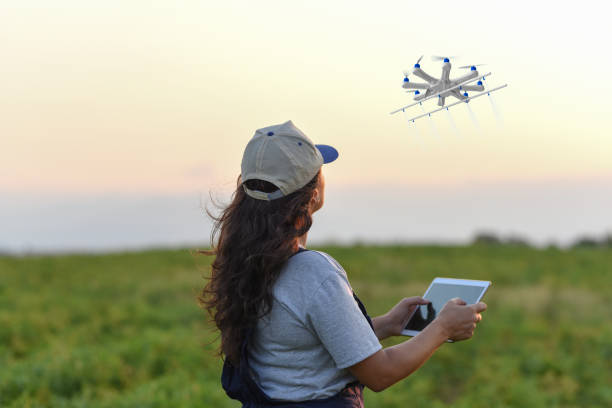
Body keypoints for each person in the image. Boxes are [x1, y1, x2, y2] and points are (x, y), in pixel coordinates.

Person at [201, 120, 487, 407]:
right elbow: (381, 374)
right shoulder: (315, 273)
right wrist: (442, 329)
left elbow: (298, 349)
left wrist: (386, 325)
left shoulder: (245, 264)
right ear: (313, 195)